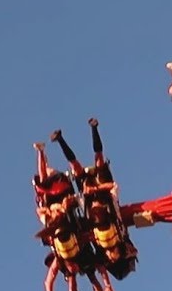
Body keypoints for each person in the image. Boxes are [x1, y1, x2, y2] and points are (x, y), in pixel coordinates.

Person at [32, 142, 111, 291]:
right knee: (76, 280)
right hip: (63, 228)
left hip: (68, 225)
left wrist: (107, 284)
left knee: (92, 274)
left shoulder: (56, 192)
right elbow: (48, 282)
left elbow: (45, 176)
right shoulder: (61, 261)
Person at [52, 120, 137, 281]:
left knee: (75, 167)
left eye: (109, 258)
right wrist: (97, 190)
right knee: (99, 160)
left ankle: (60, 140)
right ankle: (94, 127)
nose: (111, 256)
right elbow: (112, 186)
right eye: (114, 257)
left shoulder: (99, 244)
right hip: (104, 194)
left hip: (89, 199)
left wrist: (73, 202)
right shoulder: (119, 234)